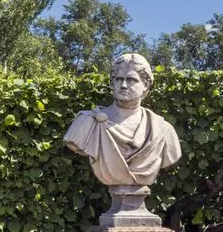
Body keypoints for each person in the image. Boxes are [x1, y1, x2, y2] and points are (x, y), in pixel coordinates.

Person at [64, 53, 181, 189]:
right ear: (112, 83)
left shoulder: (163, 130)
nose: (124, 85)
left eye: (131, 79)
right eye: (119, 79)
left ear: (146, 84)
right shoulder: (88, 122)